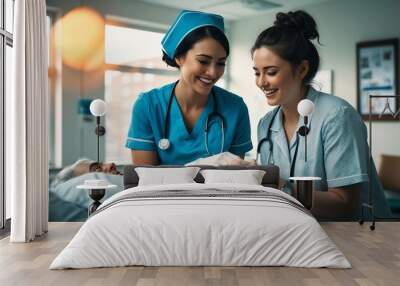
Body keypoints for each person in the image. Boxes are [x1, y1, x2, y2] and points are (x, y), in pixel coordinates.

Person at [252, 10, 391, 219]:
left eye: (271, 72)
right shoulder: (266, 124)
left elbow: (345, 203)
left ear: (302, 69)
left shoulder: (337, 116)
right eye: (256, 72)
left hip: (361, 238)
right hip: (303, 233)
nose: (261, 82)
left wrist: (282, 187)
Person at [126, 10, 253, 165]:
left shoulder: (235, 107)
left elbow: (235, 177)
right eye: (203, 61)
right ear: (179, 57)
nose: (213, 72)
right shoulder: (148, 105)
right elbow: (144, 178)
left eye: (220, 63)